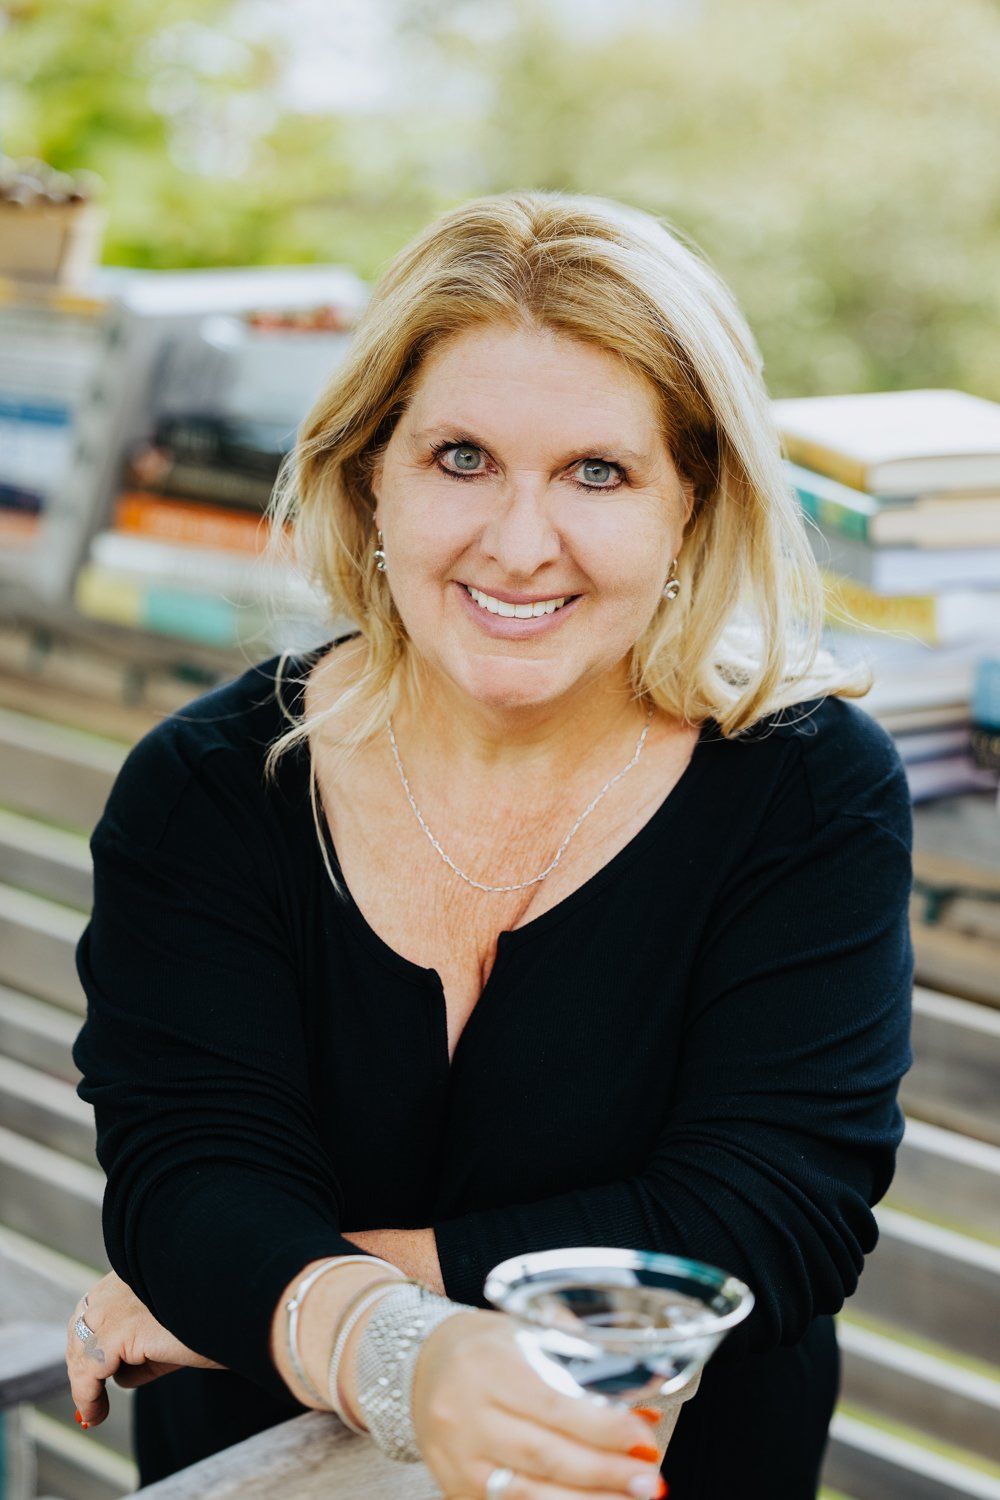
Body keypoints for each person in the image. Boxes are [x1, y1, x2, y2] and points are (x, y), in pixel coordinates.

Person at [66, 190, 913, 1500]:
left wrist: (269, 1287)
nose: (520, 546)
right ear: (373, 474)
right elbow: (192, 1177)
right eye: (461, 457)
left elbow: (763, 1218)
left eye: (598, 472)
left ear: (691, 504)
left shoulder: (804, 790)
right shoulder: (211, 789)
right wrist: (385, 1345)